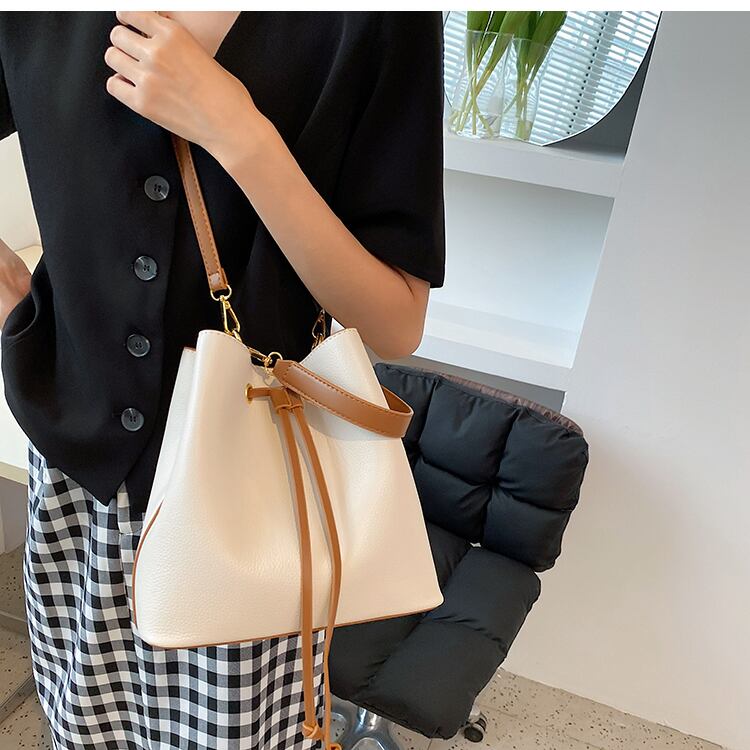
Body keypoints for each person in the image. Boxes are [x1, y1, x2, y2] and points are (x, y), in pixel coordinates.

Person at [0, 10, 445, 749]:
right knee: (80, 728)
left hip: (253, 486)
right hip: (77, 468)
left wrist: (237, 130)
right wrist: (15, 304)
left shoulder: (375, 21)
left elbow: (396, 322)